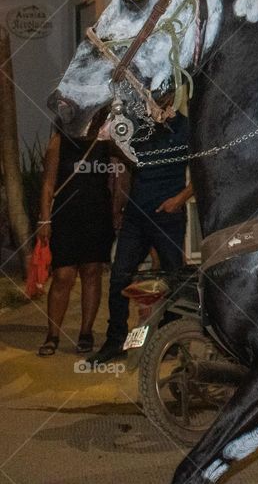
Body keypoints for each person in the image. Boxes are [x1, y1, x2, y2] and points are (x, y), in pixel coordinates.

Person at [87, 112, 192, 364]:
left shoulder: (185, 127)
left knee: (174, 280)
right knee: (119, 278)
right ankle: (115, 342)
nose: (157, 103)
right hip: (136, 216)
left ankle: (171, 341)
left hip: (167, 216)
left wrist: (178, 200)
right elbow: (122, 154)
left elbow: (203, 169)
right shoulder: (140, 126)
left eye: (163, 96)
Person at [36, 124, 121, 356]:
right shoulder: (59, 141)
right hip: (65, 216)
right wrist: (44, 220)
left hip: (97, 214)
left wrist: (116, 210)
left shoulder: (106, 141)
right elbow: (48, 184)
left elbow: (119, 177)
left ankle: (86, 332)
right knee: (63, 275)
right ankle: (52, 335)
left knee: (92, 271)